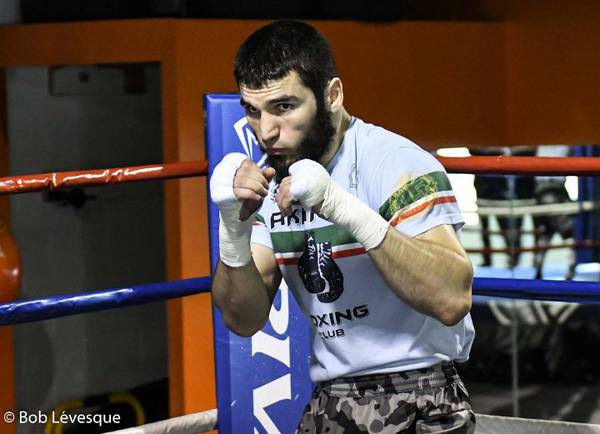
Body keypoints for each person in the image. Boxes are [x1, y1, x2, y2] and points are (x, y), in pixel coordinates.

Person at [210, 20, 475, 433]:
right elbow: (242, 319)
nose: (267, 131)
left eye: (284, 107)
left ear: (332, 95)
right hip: (331, 396)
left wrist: (341, 207)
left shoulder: (393, 163)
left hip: (420, 388)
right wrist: (232, 230)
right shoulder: (275, 177)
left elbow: (452, 298)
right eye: (253, 111)